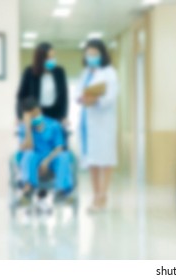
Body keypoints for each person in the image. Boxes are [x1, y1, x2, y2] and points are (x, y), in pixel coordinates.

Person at [75, 39, 118, 211]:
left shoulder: (109, 73)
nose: (91, 57)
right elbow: (79, 93)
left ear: (102, 54)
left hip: (103, 121)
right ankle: (95, 194)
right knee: (92, 161)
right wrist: (82, 98)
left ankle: (103, 195)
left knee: (105, 160)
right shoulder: (86, 73)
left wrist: (96, 99)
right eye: (89, 54)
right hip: (88, 120)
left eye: (95, 54)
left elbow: (110, 97)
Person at [17, 97, 74, 197]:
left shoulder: (54, 124)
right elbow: (29, 147)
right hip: (35, 158)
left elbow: (59, 148)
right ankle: (28, 187)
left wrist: (46, 161)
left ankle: (61, 190)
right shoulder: (24, 128)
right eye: (31, 115)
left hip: (51, 157)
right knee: (28, 155)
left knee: (64, 156)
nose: (35, 116)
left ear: (40, 110)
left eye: (36, 112)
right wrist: (28, 127)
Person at [17, 42, 69, 123]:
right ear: (41, 59)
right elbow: (21, 96)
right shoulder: (29, 72)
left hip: (55, 115)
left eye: (53, 57)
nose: (52, 60)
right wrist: (20, 116)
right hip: (35, 113)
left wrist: (64, 116)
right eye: (49, 57)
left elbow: (64, 97)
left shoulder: (59, 72)